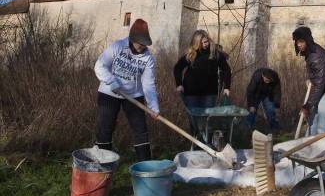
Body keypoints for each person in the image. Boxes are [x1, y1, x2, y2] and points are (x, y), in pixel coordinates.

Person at [94, 19, 159, 161]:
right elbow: (100, 65)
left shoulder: (148, 59)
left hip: (133, 95)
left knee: (140, 130)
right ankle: (102, 163)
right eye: (140, 43)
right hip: (109, 93)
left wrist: (153, 106)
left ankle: (145, 167)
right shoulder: (118, 46)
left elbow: (148, 83)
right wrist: (112, 81)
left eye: (145, 43)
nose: (143, 46)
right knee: (106, 128)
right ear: (132, 39)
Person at [173, 30, 231, 137]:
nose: (206, 44)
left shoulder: (215, 54)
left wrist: (227, 87)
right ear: (197, 43)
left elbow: (226, 69)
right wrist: (179, 84)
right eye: (203, 43)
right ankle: (195, 141)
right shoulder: (191, 54)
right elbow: (177, 68)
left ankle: (206, 143)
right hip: (191, 93)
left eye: (207, 41)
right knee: (194, 120)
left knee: (207, 120)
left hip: (209, 93)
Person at [292, 26, 325, 136]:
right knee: (312, 119)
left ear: (307, 40)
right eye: (297, 42)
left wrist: (307, 106)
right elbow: (318, 75)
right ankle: (308, 146)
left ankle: (323, 149)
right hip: (322, 86)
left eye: (301, 41)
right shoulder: (310, 53)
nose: (299, 44)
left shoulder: (316, 56)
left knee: (323, 122)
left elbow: (321, 83)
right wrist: (311, 80)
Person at [245, 67, 282, 133]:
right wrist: (251, 105)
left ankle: (275, 130)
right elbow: (250, 91)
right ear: (263, 76)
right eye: (266, 80)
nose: (268, 82)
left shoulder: (275, 77)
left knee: (271, 111)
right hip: (256, 94)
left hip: (268, 95)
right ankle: (247, 129)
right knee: (252, 111)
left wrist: (277, 105)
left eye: (269, 80)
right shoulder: (257, 76)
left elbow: (277, 91)